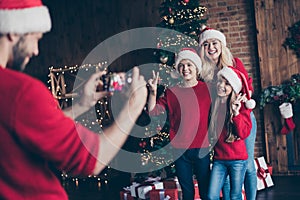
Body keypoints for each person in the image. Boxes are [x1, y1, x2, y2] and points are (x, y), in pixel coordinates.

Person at [0, 0, 147, 199]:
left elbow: (35, 130)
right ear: (14, 32)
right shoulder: (21, 91)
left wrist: (81, 105)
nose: (36, 51)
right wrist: (133, 106)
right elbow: (91, 160)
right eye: (35, 38)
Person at [198, 27, 257, 200]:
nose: (211, 47)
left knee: (248, 165)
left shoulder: (234, 62)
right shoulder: (203, 72)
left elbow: (248, 86)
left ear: (221, 45)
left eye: (214, 43)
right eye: (206, 44)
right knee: (225, 165)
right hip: (221, 122)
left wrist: (240, 105)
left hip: (241, 117)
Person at [147, 48, 211, 200]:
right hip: (179, 148)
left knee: (205, 190)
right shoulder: (172, 92)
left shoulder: (207, 89)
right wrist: (153, 92)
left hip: (201, 147)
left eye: (189, 65)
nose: (185, 69)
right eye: (181, 65)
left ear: (196, 68)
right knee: (187, 191)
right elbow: (152, 111)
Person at [207, 66, 253, 200]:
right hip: (219, 160)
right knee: (211, 195)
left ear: (233, 87)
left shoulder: (242, 106)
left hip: (237, 160)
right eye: (220, 81)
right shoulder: (214, 106)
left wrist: (236, 114)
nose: (221, 85)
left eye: (227, 83)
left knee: (235, 195)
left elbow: (243, 133)